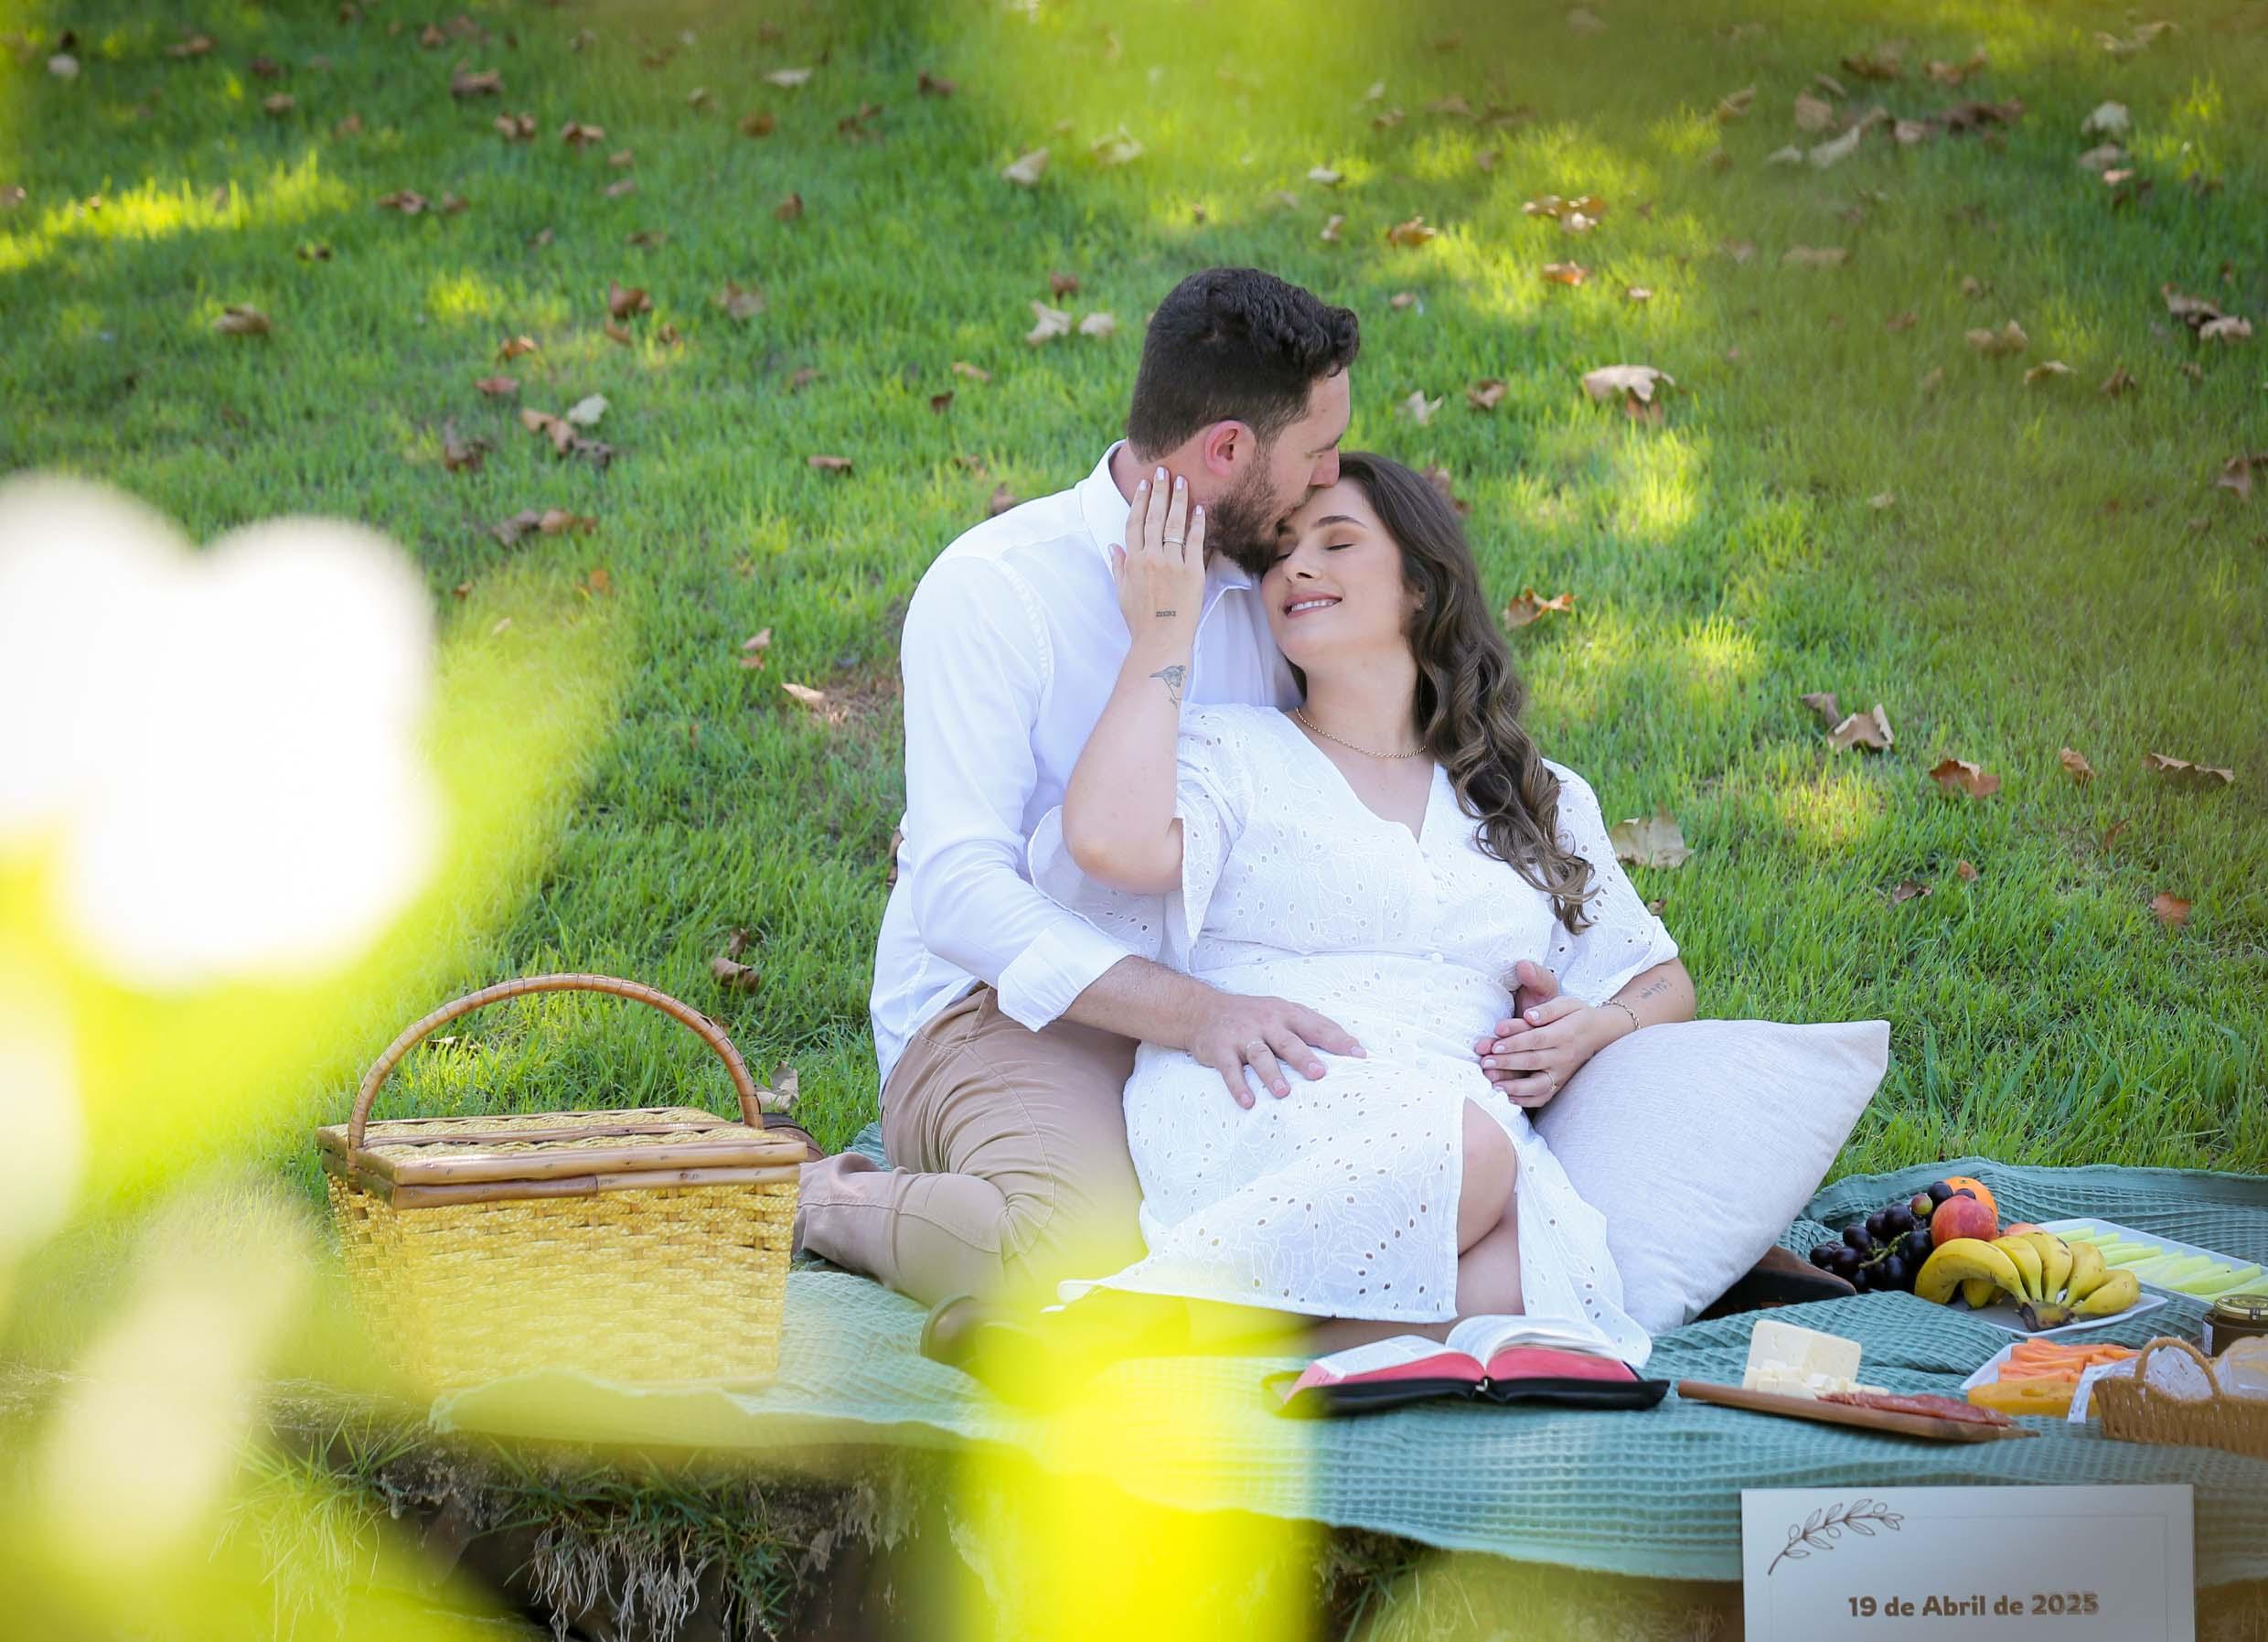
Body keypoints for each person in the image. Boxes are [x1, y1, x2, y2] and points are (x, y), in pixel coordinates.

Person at [797, 267, 1394, 1307]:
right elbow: (958, 899)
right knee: (1077, 1253)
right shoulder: (997, 589)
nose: (1332, 473)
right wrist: (1194, 1013)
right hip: (1003, 1011)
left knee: (1362, 1213)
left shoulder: (1286, 583)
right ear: (1226, 451)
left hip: (1233, 991)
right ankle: (804, 1195)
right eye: (1315, 450)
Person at [1027, 452, 1700, 1364]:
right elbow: (1109, 840)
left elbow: (1658, 979)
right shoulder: (1233, 751)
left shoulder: (1529, 792)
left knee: (1536, 1280)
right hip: (1263, 1095)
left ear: (1421, 584)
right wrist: (1161, 637)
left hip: (1450, 1128)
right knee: (1475, 1157)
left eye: (1336, 543)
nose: (1295, 568)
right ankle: (1146, 1309)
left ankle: (1159, 1341)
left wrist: (1592, 1027)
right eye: (1278, 554)